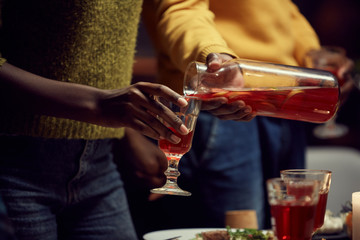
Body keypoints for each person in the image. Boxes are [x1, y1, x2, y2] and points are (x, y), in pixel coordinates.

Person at [120, 0, 355, 235]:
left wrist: (311, 54)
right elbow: (180, 8)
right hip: (225, 104)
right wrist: (215, 60)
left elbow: (282, 8)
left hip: (285, 105)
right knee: (239, 233)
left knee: (289, 232)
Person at [0, 1, 200, 240]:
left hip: (100, 163)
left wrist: (125, 134)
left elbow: (176, 7)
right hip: (14, 161)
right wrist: (96, 105)